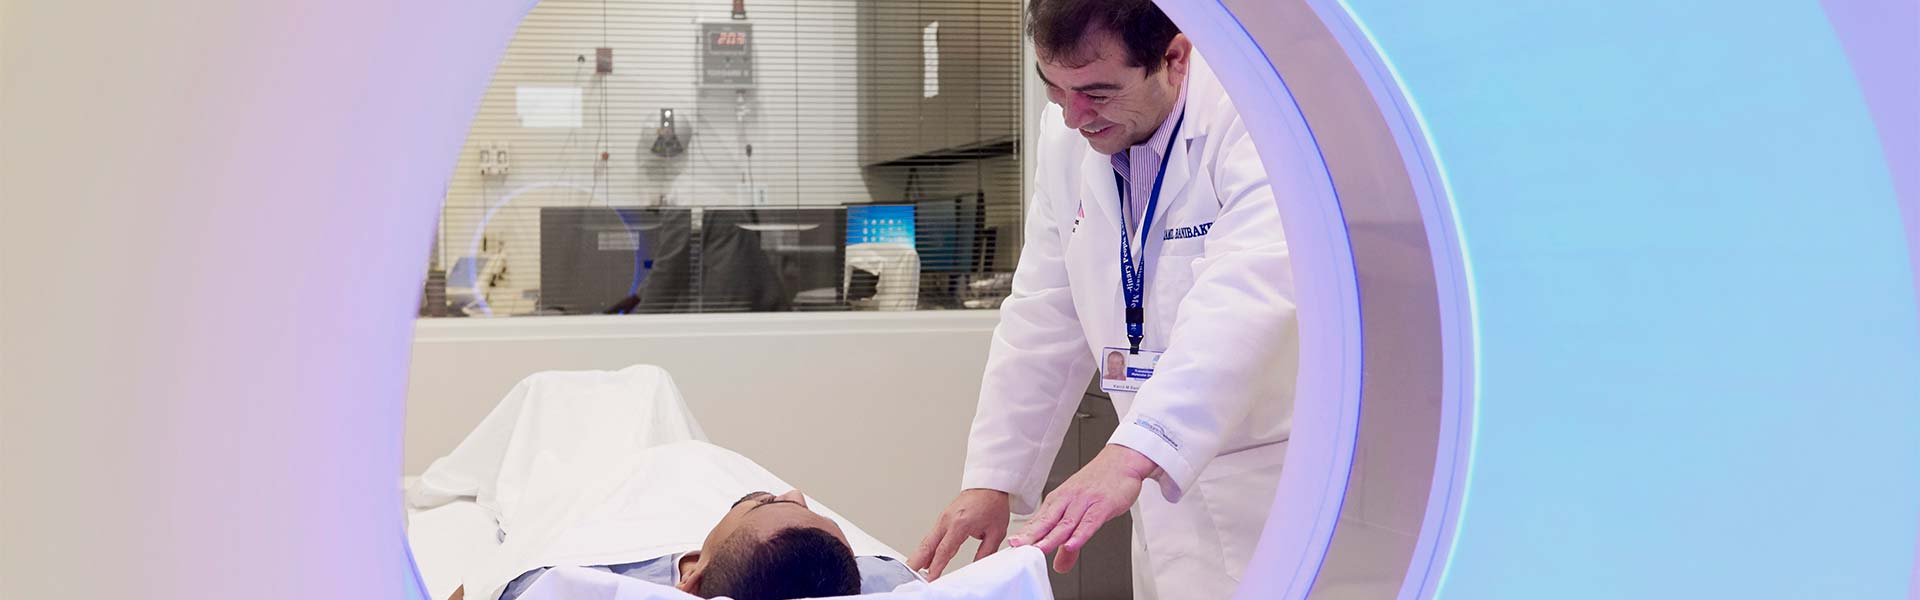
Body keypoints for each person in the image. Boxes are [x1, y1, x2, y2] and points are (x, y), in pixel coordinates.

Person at [907, 0, 1298, 598]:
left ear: (1174, 56)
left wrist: (1137, 450)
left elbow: (1248, 293)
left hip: (1270, 485)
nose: (1072, 117)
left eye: (1096, 92)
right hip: (1154, 487)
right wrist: (992, 478)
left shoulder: (1257, 113)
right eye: (1054, 90)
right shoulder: (1067, 136)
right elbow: (1042, 309)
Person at [445, 441, 920, 600]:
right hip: (689, 458)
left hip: (611, 475)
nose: (796, 490)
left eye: (762, 500)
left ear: (691, 572)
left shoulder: (578, 577)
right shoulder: (881, 577)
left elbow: (487, 584)